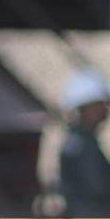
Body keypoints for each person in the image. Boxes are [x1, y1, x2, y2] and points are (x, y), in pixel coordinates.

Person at [56, 69, 110, 217]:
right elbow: (98, 187)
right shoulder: (81, 145)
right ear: (86, 108)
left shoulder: (79, 140)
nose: (105, 111)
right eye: (100, 105)